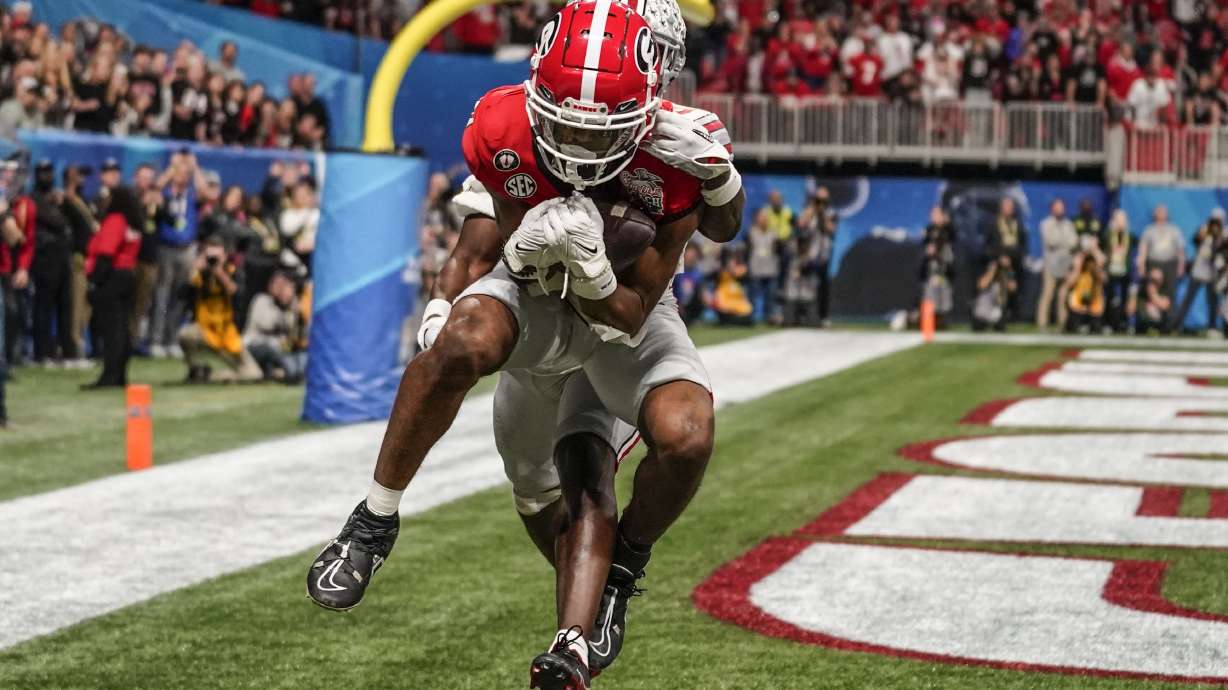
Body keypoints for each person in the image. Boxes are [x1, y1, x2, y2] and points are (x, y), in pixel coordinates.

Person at [305, 6, 745, 690]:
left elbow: (634, 308)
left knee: (672, 439)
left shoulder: (680, 146)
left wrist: (714, 185)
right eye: (565, 115)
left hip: (623, 314)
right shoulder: (504, 124)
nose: (578, 134)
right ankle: (373, 522)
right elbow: (494, 249)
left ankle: (608, 591)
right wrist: (448, 306)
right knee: (469, 355)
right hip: (539, 295)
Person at [178, 236, 261, 383]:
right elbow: (180, 295)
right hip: (203, 330)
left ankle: (211, 375)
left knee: (254, 374)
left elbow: (239, 295)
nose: (213, 261)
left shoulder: (232, 271)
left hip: (226, 333)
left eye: (217, 257)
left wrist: (219, 273)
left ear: (225, 256)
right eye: (210, 257)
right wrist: (194, 272)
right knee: (185, 334)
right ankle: (194, 368)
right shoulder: (199, 275)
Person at [83, 185, 143, 388]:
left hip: (112, 277)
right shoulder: (132, 222)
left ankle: (109, 376)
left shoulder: (115, 220)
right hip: (127, 275)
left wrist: (94, 282)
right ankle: (119, 375)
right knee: (122, 328)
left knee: (112, 330)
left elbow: (106, 253)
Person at [150, 152, 206, 358]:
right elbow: (154, 190)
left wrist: (195, 167)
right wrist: (172, 168)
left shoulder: (190, 196)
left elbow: (205, 193)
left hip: (187, 249)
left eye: (185, 174)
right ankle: (156, 340)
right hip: (166, 248)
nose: (183, 177)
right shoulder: (165, 194)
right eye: (179, 173)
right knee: (162, 295)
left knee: (179, 296)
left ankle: (171, 339)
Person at [29, 160, 76, 366]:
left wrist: (64, 202)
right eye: (42, 172)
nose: (46, 177)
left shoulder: (58, 198)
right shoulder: (34, 199)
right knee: (44, 307)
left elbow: (73, 223)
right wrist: (60, 205)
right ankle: (42, 353)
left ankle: (67, 352)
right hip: (45, 259)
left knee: (65, 306)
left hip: (63, 258)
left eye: (49, 172)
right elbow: (57, 222)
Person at [243, 270, 306, 382]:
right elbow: (267, 324)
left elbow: (294, 333)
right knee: (272, 347)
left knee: (303, 355)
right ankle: (291, 373)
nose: (280, 289)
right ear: (270, 286)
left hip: (281, 350)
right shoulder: (261, 300)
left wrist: (292, 307)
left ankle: (283, 371)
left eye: (285, 285)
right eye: (277, 284)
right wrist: (281, 305)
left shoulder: (293, 304)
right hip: (255, 346)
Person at [1170, 210, 1224, 334]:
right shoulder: (1204, 229)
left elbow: (1220, 250)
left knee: (1212, 301)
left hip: (1212, 272)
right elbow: (1195, 241)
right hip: (1199, 270)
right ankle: (1176, 325)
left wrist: (1218, 237)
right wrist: (1204, 233)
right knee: (1188, 299)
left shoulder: (1223, 233)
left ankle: (1212, 327)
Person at [1037, 198, 1077, 331]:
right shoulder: (1045, 223)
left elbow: (1074, 242)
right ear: (1052, 209)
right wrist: (1064, 243)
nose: (1060, 210)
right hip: (1051, 265)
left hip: (1066, 265)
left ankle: (1063, 324)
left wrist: (1063, 243)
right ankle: (1042, 323)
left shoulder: (1068, 224)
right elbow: (1051, 241)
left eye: (1062, 207)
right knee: (1047, 295)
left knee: (1063, 296)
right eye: (1058, 207)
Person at [1136, 204, 1186, 301]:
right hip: (1153, 264)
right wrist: (1141, 265)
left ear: (1167, 214)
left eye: (1163, 212)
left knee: (1170, 292)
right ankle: (1150, 315)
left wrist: (1181, 266)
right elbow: (1143, 249)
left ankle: (1170, 315)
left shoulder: (1174, 230)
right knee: (1151, 291)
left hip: (1170, 265)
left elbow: (1181, 250)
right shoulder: (1149, 230)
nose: (1161, 214)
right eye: (1158, 212)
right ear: (1154, 214)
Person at [986, 197, 1024, 321]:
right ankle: (996, 316)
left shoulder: (1017, 223)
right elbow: (990, 244)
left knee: (1012, 289)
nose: (1009, 209)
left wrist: (1016, 257)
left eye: (1011, 207)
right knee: (997, 290)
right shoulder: (994, 223)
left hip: (1014, 262)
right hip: (998, 262)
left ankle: (1010, 315)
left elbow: (1022, 243)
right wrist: (999, 257)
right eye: (1006, 206)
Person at [1102, 209, 1133, 332]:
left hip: (1124, 271)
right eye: (1118, 219)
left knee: (1125, 298)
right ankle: (1107, 323)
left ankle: (1123, 323)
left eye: (1123, 220)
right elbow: (1103, 245)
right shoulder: (1108, 234)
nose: (1121, 222)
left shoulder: (1129, 235)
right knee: (1109, 298)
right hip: (1111, 270)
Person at [745, 208, 778, 323]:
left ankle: (769, 317)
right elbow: (747, 250)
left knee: (770, 296)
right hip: (756, 268)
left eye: (765, 217)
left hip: (770, 268)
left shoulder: (773, 233)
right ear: (756, 219)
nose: (764, 219)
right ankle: (751, 317)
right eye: (761, 217)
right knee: (752, 295)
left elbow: (776, 249)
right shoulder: (751, 232)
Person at [1065, 248, 1107, 334]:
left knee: (1096, 327)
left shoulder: (1096, 272)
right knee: (1073, 327)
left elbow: (1104, 279)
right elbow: (1069, 283)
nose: (1089, 264)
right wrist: (1077, 266)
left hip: (1093, 305)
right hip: (1079, 305)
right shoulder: (1078, 270)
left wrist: (1096, 259)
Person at [972, 255, 1016, 332]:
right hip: (983, 310)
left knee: (1000, 327)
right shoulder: (987, 274)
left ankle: (996, 324)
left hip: (997, 310)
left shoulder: (1005, 275)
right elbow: (982, 285)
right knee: (978, 327)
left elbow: (1013, 288)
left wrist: (1008, 270)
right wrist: (992, 271)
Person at [1137, 267, 1172, 334]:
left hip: (1161, 325)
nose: (1154, 283)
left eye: (1157, 280)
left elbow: (1165, 306)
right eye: (1152, 280)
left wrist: (1152, 295)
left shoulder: (1164, 291)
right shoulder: (1142, 292)